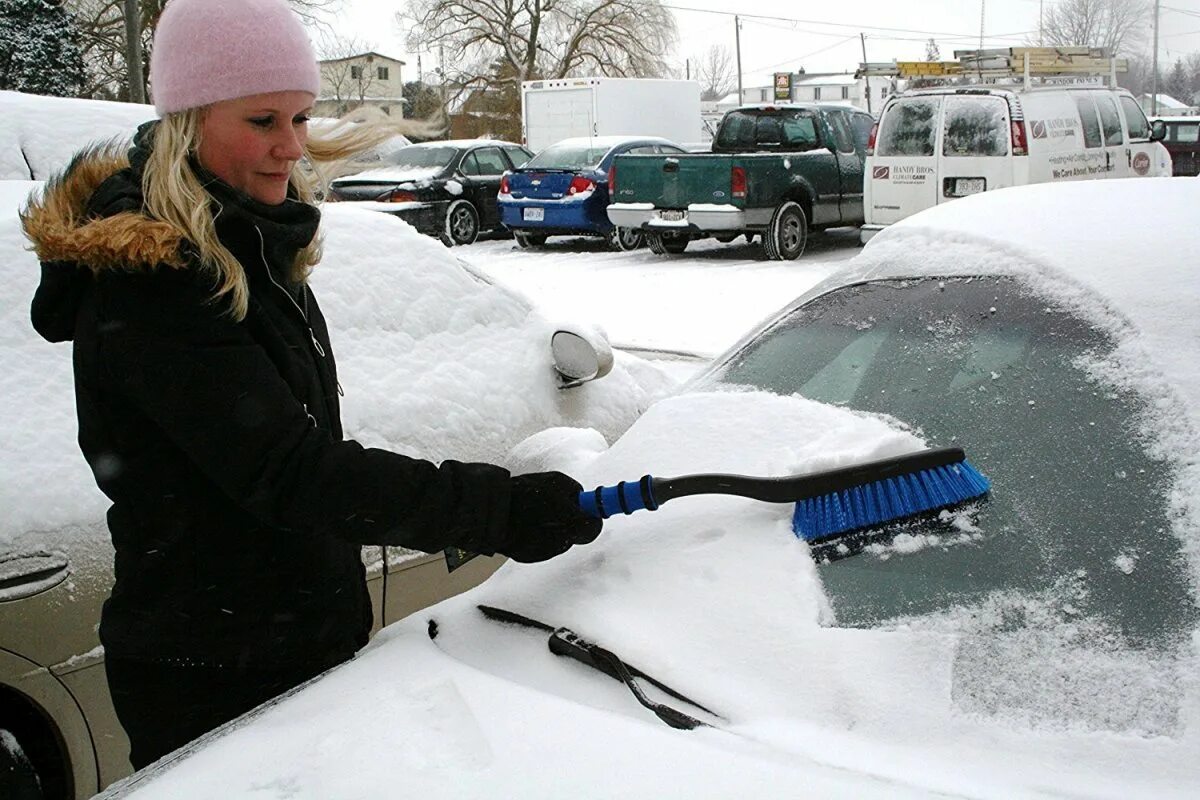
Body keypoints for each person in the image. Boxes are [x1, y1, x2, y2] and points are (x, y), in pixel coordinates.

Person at [21, 0, 601, 771]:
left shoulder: (248, 245)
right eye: (263, 120)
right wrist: (496, 510)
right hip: (215, 673)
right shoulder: (156, 281)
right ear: (189, 121)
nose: (289, 148)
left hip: (286, 643)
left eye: (298, 119)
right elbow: (288, 471)